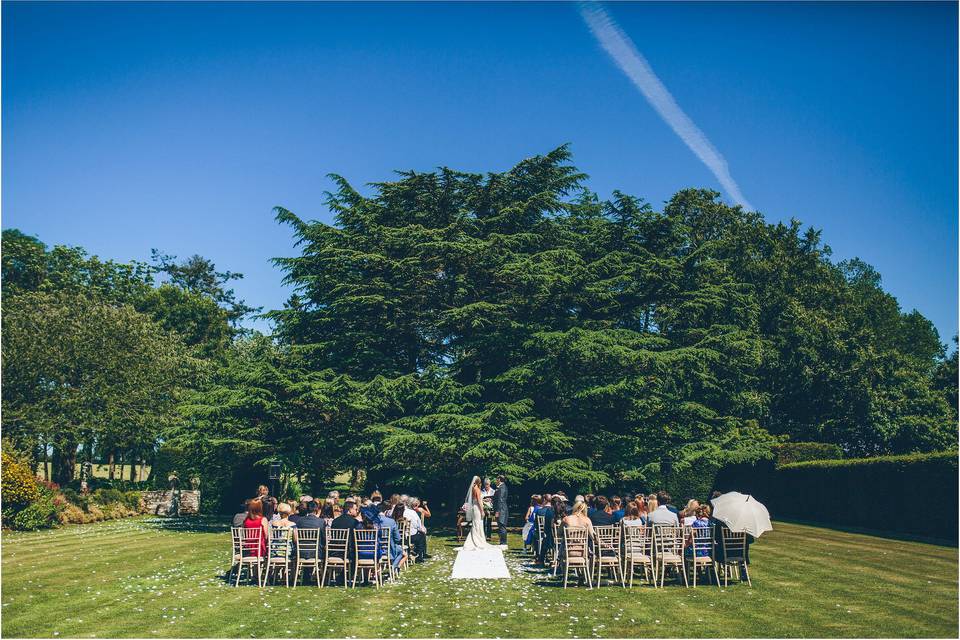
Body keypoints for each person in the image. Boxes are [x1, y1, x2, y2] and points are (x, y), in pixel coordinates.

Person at [461, 476, 491, 551]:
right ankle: (477, 541)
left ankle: (473, 540)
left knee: (475, 524)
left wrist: (484, 501)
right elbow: (479, 501)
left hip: (474, 507)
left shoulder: (473, 488)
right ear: (479, 482)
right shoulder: (477, 489)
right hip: (477, 508)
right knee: (478, 524)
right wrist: (482, 511)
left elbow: (476, 500)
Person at [377, 502, 406, 570]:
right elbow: (398, 538)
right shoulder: (391, 521)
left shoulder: (371, 521)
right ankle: (393, 567)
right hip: (388, 550)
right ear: (386, 511)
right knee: (401, 552)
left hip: (375, 549)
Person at [403, 498, 429, 562]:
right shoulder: (413, 513)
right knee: (422, 536)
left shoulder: (404, 511)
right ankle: (420, 555)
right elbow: (418, 526)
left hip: (402, 536)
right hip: (410, 536)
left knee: (420, 534)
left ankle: (415, 552)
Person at [493, 475, 509, 546]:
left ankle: (503, 543)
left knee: (502, 525)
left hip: (502, 510)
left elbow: (501, 500)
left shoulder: (502, 488)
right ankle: (502, 542)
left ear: (499, 479)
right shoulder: (501, 487)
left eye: (497, 479)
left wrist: (497, 511)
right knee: (500, 526)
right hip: (501, 509)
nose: (496, 481)